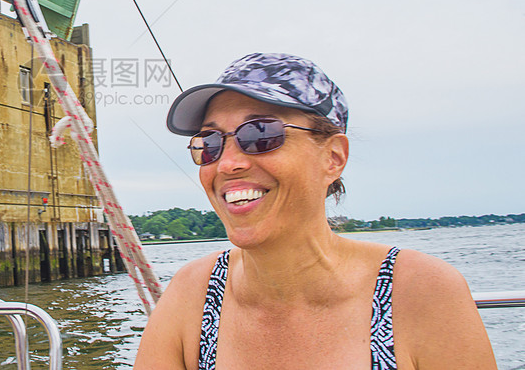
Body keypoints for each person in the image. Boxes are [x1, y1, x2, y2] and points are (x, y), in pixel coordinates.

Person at [134, 53, 496, 369]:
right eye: (209, 143)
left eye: (260, 134)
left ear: (333, 157)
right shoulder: (193, 295)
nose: (227, 163)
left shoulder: (420, 293)